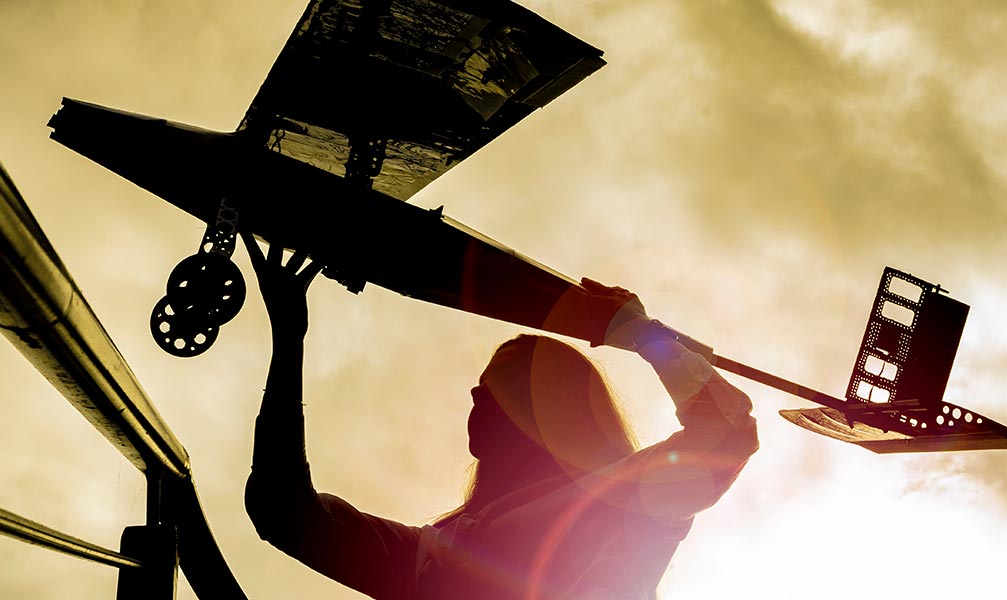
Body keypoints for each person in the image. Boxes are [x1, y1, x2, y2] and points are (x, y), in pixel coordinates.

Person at [240, 238, 759, 600]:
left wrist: (649, 339)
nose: (476, 397)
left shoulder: (622, 503)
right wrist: (288, 339)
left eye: (498, 391)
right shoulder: (440, 550)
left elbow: (728, 436)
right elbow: (285, 513)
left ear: (548, 418)